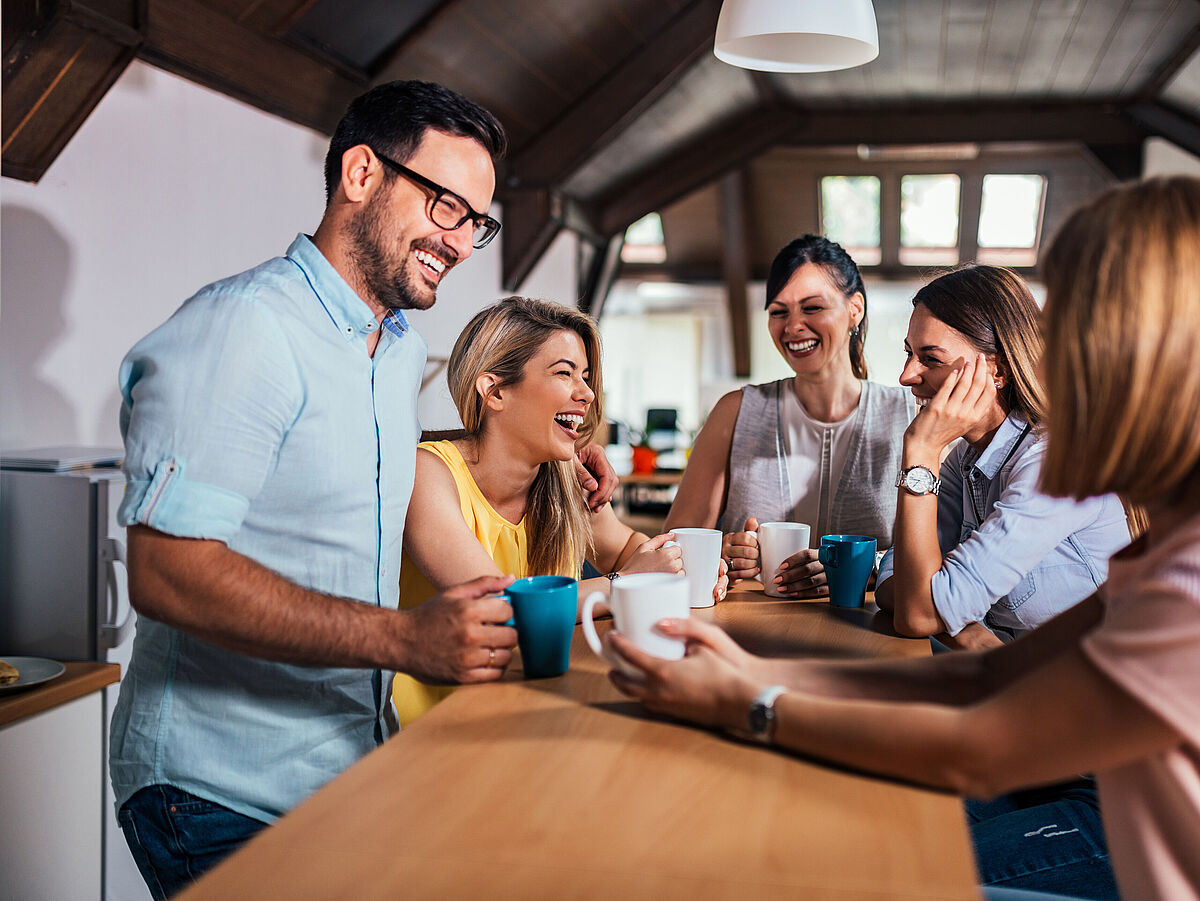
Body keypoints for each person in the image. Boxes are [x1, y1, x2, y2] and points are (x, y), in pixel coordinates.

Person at [609, 176, 1200, 901]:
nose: (1059, 367)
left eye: (1077, 341)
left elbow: (972, 732)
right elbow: (976, 671)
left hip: (1087, 803)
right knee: (820, 820)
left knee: (853, 870)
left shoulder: (1174, 570)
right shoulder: (1158, 552)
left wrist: (749, 704)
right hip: (1054, 773)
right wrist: (754, 673)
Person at [109, 81, 617, 899]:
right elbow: (167, 571)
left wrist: (548, 454)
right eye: (447, 206)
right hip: (217, 789)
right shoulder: (246, 329)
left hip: (341, 770)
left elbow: (351, 469)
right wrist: (402, 640)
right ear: (360, 174)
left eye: (476, 223)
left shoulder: (390, 348)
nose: (460, 242)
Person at [395, 296, 724, 724]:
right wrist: (627, 584)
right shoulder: (428, 474)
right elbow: (500, 607)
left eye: (585, 376)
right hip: (437, 731)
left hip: (535, 708)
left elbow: (626, 547)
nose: (586, 393)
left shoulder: (563, 475)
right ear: (494, 391)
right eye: (564, 373)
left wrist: (681, 567)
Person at [876, 265, 1130, 651]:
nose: (906, 375)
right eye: (910, 353)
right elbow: (896, 582)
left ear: (998, 370)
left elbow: (917, 615)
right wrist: (967, 630)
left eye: (930, 358)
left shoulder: (1057, 464)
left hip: (1093, 692)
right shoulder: (965, 459)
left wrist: (922, 452)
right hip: (1021, 676)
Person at [666, 235, 914, 598]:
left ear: (855, 309)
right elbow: (671, 547)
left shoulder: (908, 416)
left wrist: (867, 566)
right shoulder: (735, 411)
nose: (793, 326)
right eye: (779, 312)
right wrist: (719, 554)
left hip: (870, 639)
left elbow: (945, 549)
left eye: (812, 308)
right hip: (745, 640)